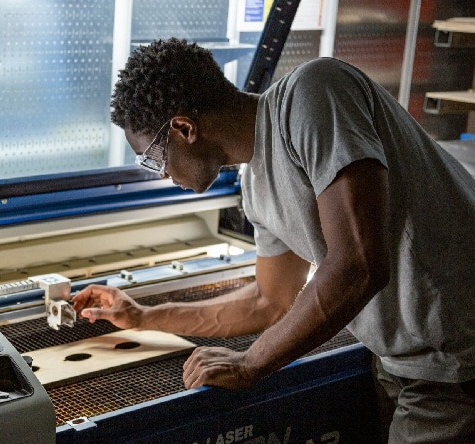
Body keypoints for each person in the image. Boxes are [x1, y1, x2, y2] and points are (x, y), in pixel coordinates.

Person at [72, 38, 474, 443]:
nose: (161, 173)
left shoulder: (315, 92)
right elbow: (270, 300)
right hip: (400, 359)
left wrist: (251, 364)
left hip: (457, 360)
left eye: (154, 157)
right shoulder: (256, 187)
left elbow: (359, 264)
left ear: (184, 128)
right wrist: (143, 317)